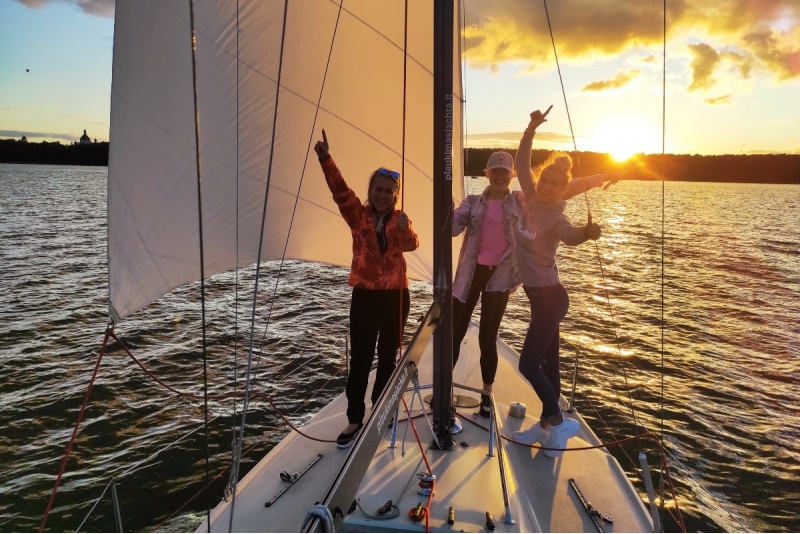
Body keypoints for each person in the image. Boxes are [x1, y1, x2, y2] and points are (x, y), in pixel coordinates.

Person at [452, 141, 621, 419]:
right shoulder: (472, 202)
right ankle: (447, 392)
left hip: (501, 278)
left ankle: (487, 396)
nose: (499, 175)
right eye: (495, 170)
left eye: (504, 171)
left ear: (511, 175)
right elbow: (454, 225)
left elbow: (566, 188)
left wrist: (598, 179)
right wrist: (448, 211)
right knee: (455, 333)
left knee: (487, 338)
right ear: (487, 172)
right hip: (469, 276)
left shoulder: (521, 200)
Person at [314, 129, 420, 448]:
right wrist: (326, 159)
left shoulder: (401, 219)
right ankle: (355, 418)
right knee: (360, 359)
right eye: (378, 189)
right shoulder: (357, 215)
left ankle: (381, 411)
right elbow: (339, 190)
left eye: (388, 191)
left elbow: (412, 244)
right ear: (371, 191)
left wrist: (406, 229)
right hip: (364, 298)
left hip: (396, 298)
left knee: (388, 358)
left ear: (395, 195)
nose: (383, 195)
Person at [509, 105, 605, 458]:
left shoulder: (556, 217)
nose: (547, 187)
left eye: (554, 184)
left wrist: (586, 232)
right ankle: (551, 427)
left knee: (527, 364)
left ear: (564, 189)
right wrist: (531, 128)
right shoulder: (531, 197)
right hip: (540, 299)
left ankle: (558, 421)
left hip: (551, 299)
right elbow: (522, 162)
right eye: (544, 180)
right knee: (550, 364)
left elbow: (571, 236)